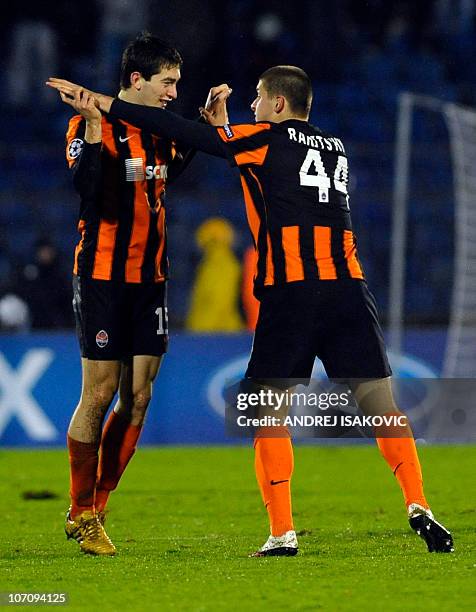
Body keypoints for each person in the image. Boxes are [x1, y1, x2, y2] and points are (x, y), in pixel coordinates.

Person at [47, 65, 454, 557]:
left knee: (266, 412)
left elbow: (185, 132)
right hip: (349, 289)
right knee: (382, 408)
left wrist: (101, 102)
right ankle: (419, 504)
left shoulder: (265, 137)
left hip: (292, 294)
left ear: (278, 105)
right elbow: (263, 174)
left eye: (259, 98)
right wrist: (222, 129)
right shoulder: (335, 149)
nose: (254, 106)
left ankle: (282, 532)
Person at [52, 33, 225, 556]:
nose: (173, 92)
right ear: (137, 81)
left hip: (151, 279)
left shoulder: (158, 134)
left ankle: (96, 507)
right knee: (99, 395)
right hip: (103, 276)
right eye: (167, 83)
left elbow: (165, 173)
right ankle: (81, 511)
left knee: (139, 397)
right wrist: (96, 126)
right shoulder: (88, 123)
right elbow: (87, 189)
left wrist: (205, 126)